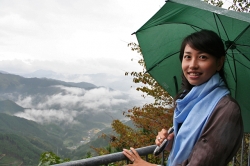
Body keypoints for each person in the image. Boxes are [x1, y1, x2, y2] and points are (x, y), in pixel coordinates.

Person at [123, 29, 244, 166]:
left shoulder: (226, 109)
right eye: (187, 57)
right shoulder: (189, 101)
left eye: (203, 57)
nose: (192, 65)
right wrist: (171, 143)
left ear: (219, 63)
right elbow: (194, 149)